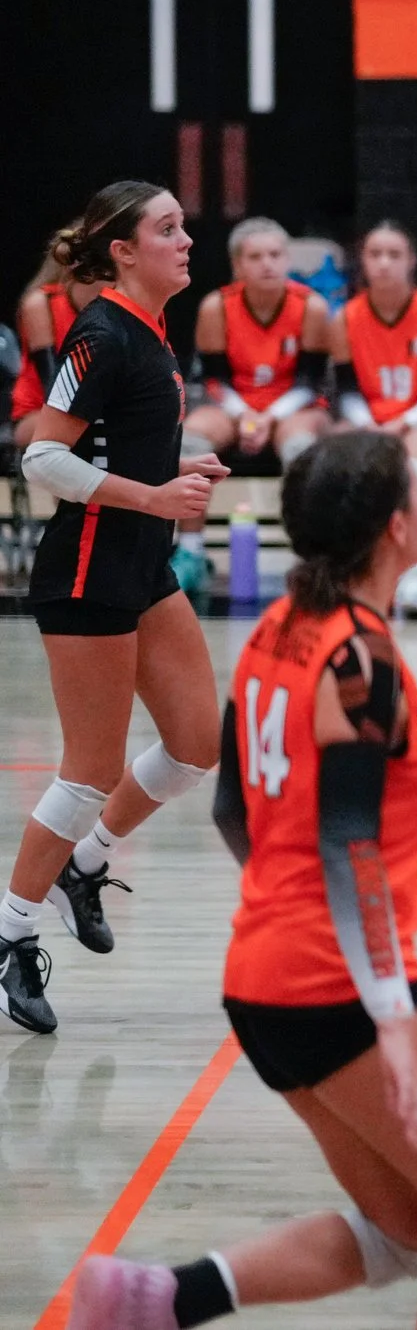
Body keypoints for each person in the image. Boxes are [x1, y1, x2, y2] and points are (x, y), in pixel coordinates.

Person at [67, 431, 417, 1326]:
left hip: (262, 978)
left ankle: (154, 1301)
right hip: (335, 983)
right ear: (397, 527)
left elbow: (231, 809)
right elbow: (351, 841)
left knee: (406, 1229)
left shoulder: (278, 629)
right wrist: (392, 1017)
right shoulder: (361, 659)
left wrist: (285, 905)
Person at [1, 184, 226, 1038]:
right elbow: (42, 456)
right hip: (87, 574)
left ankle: (85, 864)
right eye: (167, 228)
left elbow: (116, 445)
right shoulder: (99, 333)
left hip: (142, 566)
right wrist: (155, 494)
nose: (186, 239)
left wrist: (175, 467)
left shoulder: (150, 329)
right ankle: (9, 935)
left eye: (183, 225)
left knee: (197, 741)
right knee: (87, 770)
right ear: (123, 251)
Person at [331, 222, 417, 617]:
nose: (384, 263)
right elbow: (344, 392)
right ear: (363, 262)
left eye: (394, 254)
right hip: (367, 417)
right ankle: (345, 571)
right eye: (375, 254)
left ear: (411, 261)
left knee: (414, 472)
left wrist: (403, 421)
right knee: (335, 461)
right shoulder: (345, 318)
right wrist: (368, 421)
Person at [190, 218, 333, 476]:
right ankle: (182, 504)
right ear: (237, 265)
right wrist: (245, 415)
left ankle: (300, 504)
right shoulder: (216, 307)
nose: (267, 264)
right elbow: (213, 381)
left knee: (299, 445)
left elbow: (312, 383)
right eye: (255, 257)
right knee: (191, 441)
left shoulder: (312, 307)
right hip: (232, 407)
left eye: (275, 255)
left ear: (287, 260)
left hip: (294, 409)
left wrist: (270, 416)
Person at [9, 229, 98, 447]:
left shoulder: (119, 307)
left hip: (93, 411)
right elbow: (54, 390)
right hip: (39, 414)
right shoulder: (42, 303)